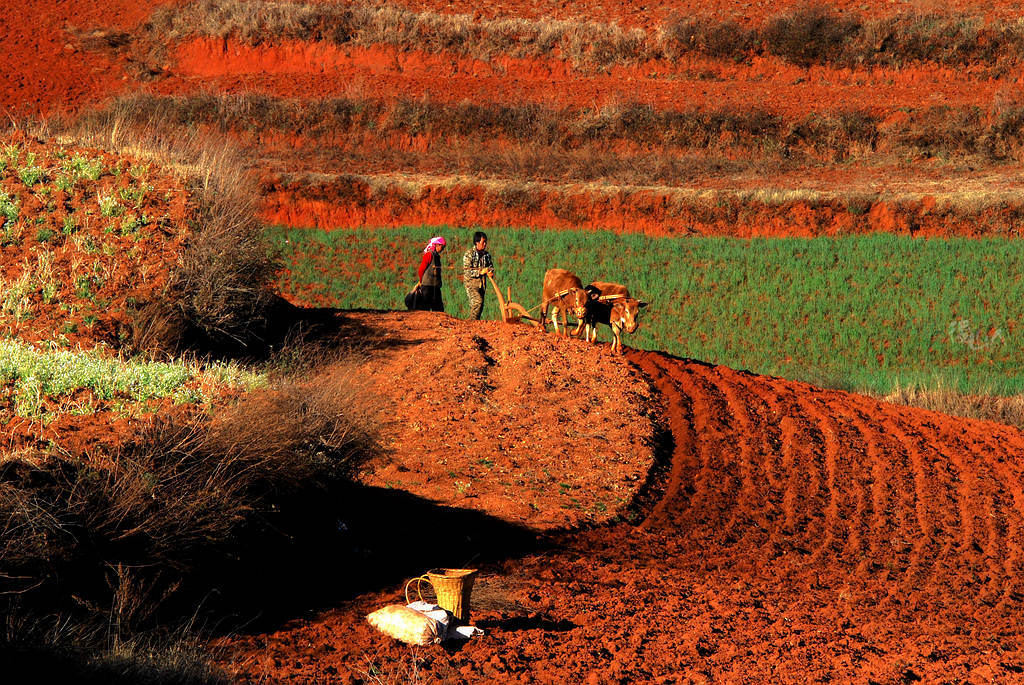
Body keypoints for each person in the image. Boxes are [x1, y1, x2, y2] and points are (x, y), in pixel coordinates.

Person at [462, 231, 494, 320]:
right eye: (483, 242)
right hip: (471, 284)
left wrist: (490, 272)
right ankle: (471, 323)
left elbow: (491, 267)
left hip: (482, 285)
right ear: (477, 242)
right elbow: (467, 271)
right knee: (477, 302)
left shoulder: (486, 255)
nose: (485, 244)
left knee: (480, 307)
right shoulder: (469, 254)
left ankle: (475, 324)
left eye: (486, 242)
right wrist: (480, 272)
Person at [412, 236, 446, 312]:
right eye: (442, 247)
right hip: (427, 287)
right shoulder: (429, 255)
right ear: (436, 245)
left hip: (436, 287)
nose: (443, 249)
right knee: (425, 308)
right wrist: (421, 281)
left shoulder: (437, 256)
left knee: (438, 310)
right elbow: (421, 269)